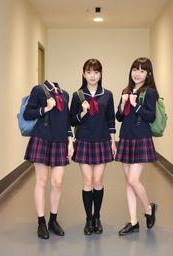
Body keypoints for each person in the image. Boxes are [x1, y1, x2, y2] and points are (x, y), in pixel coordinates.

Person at [70, 59, 116, 235]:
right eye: (89, 72)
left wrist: (113, 142)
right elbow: (72, 120)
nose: (92, 75)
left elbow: (111, 120)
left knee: (98, 181)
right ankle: (88, 219)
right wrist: (82, 112)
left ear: (101, 74)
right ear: (83, 73)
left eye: (96, 72)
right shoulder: (77, 95)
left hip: (102, 140)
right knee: (87, 181)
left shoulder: (108, 95)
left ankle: (97, 217)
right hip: (83, 140)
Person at [23, 80, 74, 239]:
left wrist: (70, 141)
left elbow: (67, 121)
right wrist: (46, 108)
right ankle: (41, 222)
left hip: (60, 142)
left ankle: (53, 220)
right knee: (41, 181)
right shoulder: (38, 90)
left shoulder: (65, 94)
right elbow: (27, 113)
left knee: (57, 182)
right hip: (42, 139)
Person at [115, 57, 158, 236]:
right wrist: (124, 103)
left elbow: (151, 116)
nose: (137, 73)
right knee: (128, 182)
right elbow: (119, 117)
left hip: (141, 139)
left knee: (133, 180)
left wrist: (135, 105)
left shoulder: (149, 92)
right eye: (135, 69)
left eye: (141, 70)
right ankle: (133, 221)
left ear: (148, 74)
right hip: (126, 137)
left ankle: (148, 208)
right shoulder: (125, 90)